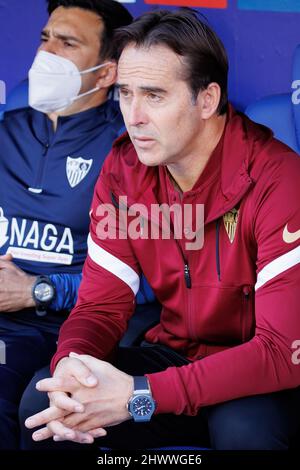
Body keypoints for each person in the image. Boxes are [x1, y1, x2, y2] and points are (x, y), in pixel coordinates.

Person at [21, 8, 300, 450]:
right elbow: (99, 307)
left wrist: (138, 397)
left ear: (206, 100)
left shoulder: (279, 179)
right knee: (50, 402)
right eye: (125, 93)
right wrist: (70, 364)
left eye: (153, 96)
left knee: (246, 432)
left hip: (256, 377)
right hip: (173, 357)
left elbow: (281, 351)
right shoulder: (124, 170)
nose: (133, 116)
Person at [0, 0, 134, 450]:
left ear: (106, 73)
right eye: (45, 38)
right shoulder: (7, 131)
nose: (47, 53)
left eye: (68, 43)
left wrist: (40, 289)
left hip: (62, 327)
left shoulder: (129, 148)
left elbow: (146, 279)